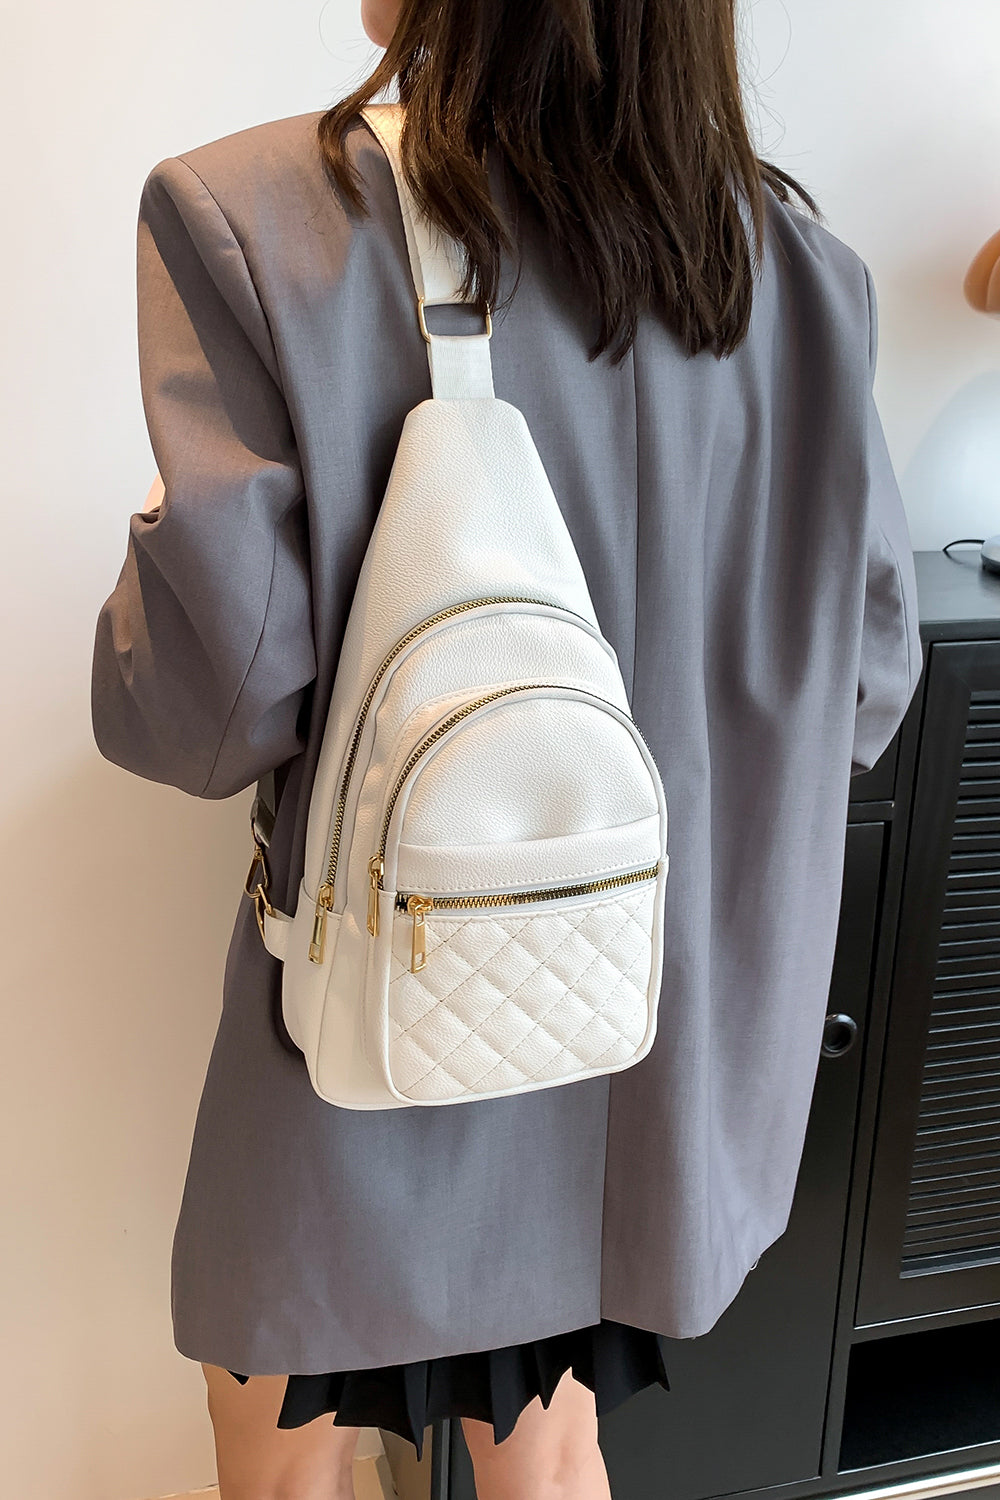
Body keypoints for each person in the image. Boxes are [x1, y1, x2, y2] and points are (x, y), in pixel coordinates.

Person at [89, 0, 924, 1494]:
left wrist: (155, 576)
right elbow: (867, 687)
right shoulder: (799, 274)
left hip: (373, 1029)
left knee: (277, 1444)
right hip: (642, 1050)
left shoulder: (258, 218)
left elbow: (206, 709)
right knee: (549, 1454)